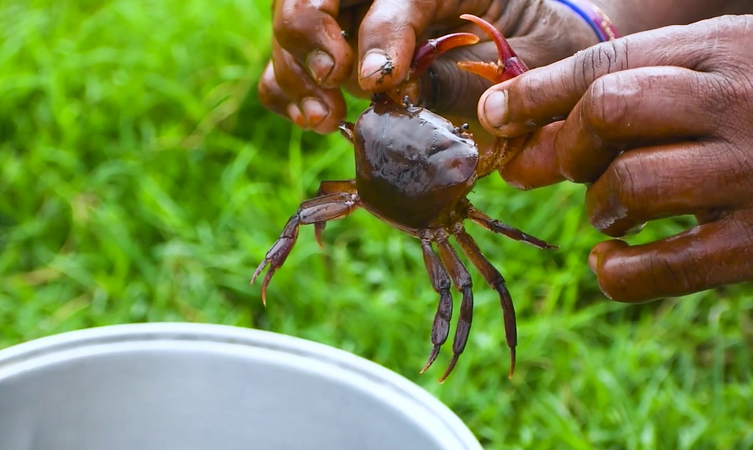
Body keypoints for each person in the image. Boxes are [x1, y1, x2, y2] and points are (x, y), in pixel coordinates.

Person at [258, 0, 753, 302]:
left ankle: (267, 272)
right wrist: (583, 31)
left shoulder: (351, 160)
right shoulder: (468, 197)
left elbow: (305, 211)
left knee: (311, 215)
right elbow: (490, 259)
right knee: (464, 288)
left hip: (355, 196)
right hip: (434, 224)